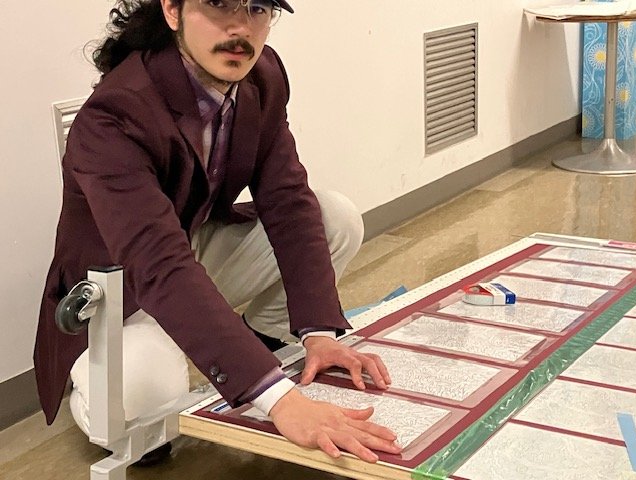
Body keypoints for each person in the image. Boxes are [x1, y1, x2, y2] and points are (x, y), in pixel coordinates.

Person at [34, 0, 403, 464]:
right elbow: (159, 262)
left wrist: (319, 334)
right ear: (173, 11)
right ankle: (97, 381)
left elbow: (287, 199)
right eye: (219, 5)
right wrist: (283, 403)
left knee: (336, 218)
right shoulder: (113, 115)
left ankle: (257, 347)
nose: (240, 28)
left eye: (257, 8)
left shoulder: (262, 75)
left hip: (190, 247)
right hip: (122, 284)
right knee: (143, 402)